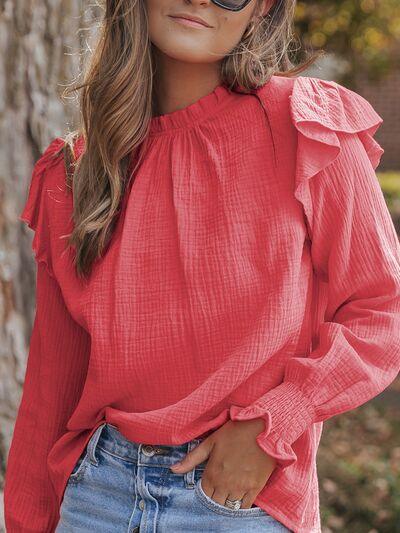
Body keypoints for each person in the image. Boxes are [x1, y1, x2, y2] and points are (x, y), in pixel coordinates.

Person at [4, 0, 400, 531]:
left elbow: (383, 311)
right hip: (95, 495)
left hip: (239, 499)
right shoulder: (76, 171)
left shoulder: (305, 124)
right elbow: (53, 387)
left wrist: (272, 423)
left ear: (262, 9)